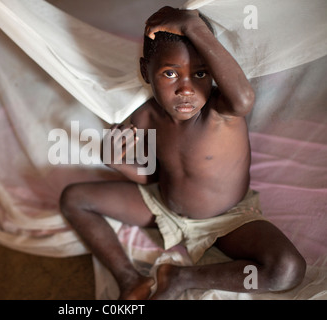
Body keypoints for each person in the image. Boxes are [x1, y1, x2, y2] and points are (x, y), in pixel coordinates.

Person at [60, 7, 306, 299]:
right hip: (163, 207)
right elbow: (152, 175)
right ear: (145, 72)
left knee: (287, 269)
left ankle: (180, 277)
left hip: (227, 219)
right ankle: (129, 279)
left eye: (200, 73)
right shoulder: (145, 117)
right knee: (73, 199)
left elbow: (243, 98)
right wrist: (118, 163)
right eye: (170, 73)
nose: (186, 89)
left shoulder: (221, 111)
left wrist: (193, 27)